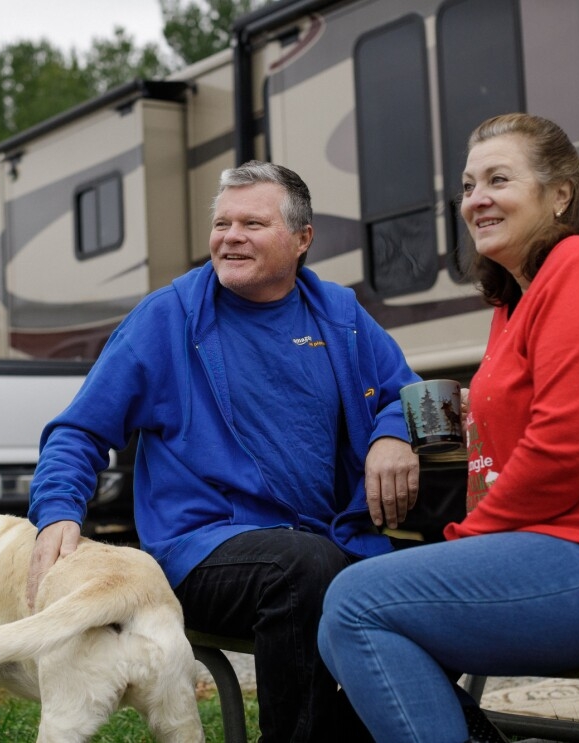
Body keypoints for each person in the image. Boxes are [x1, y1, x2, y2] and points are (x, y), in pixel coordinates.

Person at [317, 112, 579, 743]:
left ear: (561, 195)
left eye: (498, 180)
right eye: (469, 187)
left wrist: (467, 540)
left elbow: (565, 448)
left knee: (358, 603)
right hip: (575, 550)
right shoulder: (515, 303)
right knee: (361, 605)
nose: (477, 200)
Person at [25, 160, 421, 741]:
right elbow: (79, 430)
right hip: (203, 551)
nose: (230, 236)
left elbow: (405, 393)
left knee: (426, 586)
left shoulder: (339, 314)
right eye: (222, 223)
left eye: (252, 224)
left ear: (302, 239)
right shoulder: (167, 318)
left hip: (331, 542)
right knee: (306, 568)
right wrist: (57, 511)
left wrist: (391, 432)